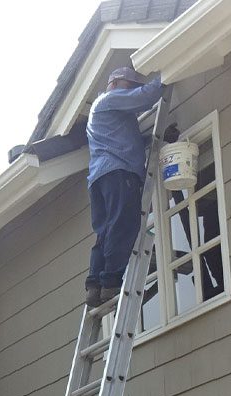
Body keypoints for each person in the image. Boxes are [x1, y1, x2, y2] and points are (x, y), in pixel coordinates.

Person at [85, 66, 164, 307]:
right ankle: (110, 283)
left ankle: (94, 286)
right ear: (116, 83)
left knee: (106, 231)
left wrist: (154, 139)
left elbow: (126, 141)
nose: (131, 92)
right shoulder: (109, 99)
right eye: (130, 87)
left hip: (100, 177)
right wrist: (167, 71)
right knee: (123, 225)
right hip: (118, 172)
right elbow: (147, 96)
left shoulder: (106, 113)